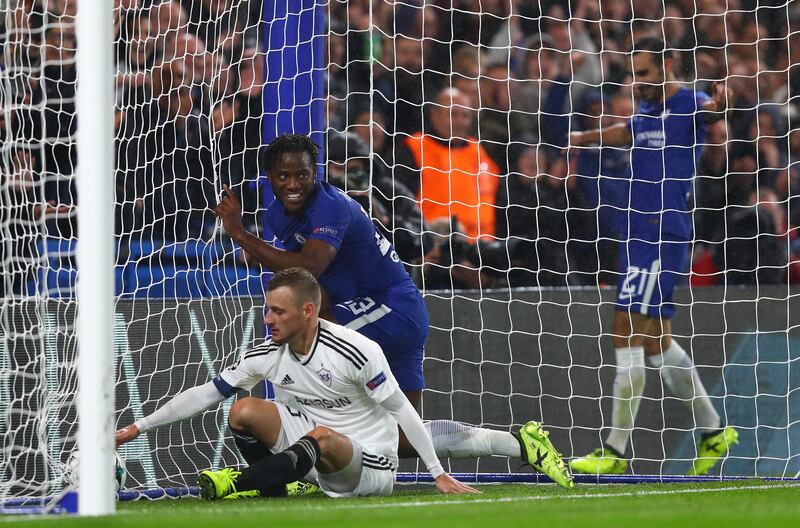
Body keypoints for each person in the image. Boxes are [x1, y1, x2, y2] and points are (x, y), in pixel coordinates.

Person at [212, 134, 573, 488]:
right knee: (403, 438)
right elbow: (312, 283)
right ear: (269, 178)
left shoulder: (331, 206)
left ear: (315, 173)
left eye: (302, 175)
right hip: (388, 309)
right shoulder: (278, 216)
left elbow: (310, 267)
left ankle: (295, 470)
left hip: (391, 308)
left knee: (304, 336)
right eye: (283, 176)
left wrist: (239, 234)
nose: (293, 183)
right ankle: (521, 444)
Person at [115, 268, 477, 498]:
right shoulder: (266, 352)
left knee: (320, 437)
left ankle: (238, 484)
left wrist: (438, 474)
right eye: (267, 309)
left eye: (278, 311)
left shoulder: (356, 349)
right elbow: (207, 394)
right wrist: (139, 425)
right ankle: (274, 489)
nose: (268, 319)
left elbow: (402, 410)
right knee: (243, 411)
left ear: (308, 312)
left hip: (370, 464)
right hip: (315, 452)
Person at [567, 36, 738, 476]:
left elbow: (713, 110)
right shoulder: (644, 110)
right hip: (636, 233)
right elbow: (627, 131)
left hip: (663, 233)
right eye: (632, 74)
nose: (636, 82)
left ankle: (615, 449)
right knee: (658, 345)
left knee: (626, 327)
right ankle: (713, 429)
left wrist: (722, 102)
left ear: (669, 66)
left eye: (643, 73)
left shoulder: (691, 104)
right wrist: (585, 136)